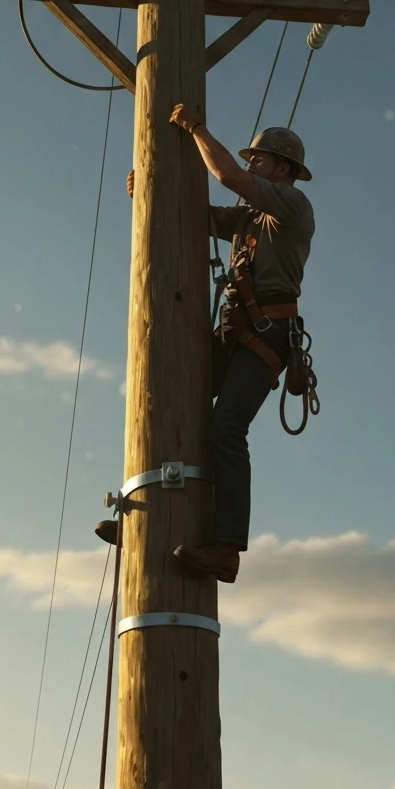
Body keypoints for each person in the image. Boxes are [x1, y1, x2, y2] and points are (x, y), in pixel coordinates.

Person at [95, 104, 315, 585]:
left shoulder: (292, 208)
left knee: (227, 428)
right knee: (171, 399)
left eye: (260, 158)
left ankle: (227, 548)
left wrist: (195, 128)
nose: (252, 163)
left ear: (283, 169)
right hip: (237, 330)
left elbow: (226, 176)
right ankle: (152, 520)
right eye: (252, 158)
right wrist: (147, 193)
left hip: (266, 336)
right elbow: (194, 215)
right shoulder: (249, 219)